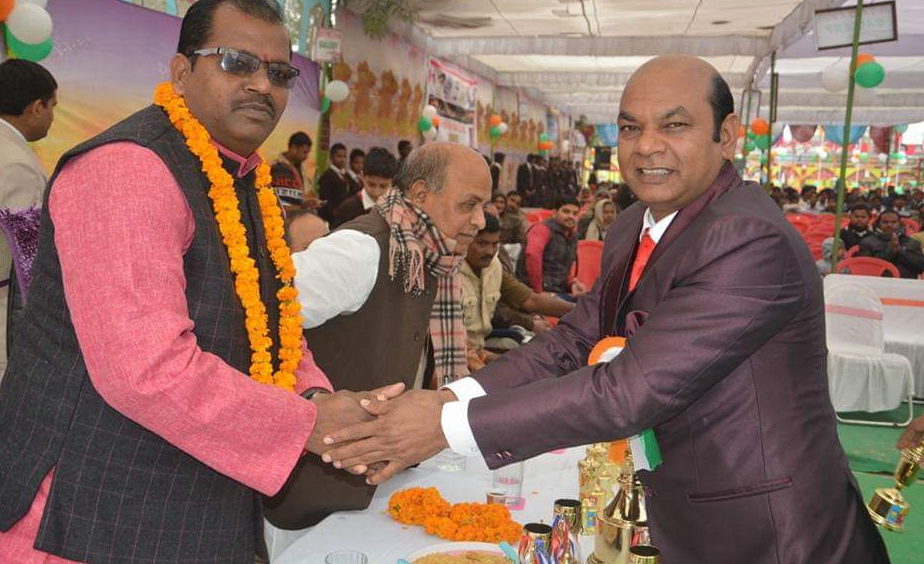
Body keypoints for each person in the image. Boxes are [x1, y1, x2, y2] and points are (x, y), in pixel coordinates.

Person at [320, 55, 889, 564]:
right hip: (687, 512)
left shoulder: (746, 238)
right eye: (630, 127)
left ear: (727, 135)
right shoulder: (634, 226)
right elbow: (573, 342)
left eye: (674, 125)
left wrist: (444, 427)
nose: (646, 146)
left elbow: (630, 391)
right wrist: (451, 399)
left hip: (769, 530)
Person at [0, 0, 396, 564]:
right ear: (182, 71)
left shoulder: (241, 176)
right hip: (81, 514)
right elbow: (145, 370)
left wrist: (317, 398)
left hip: (187, 506)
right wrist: (308, 424)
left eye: (278, 73)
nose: (262, 85)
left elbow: (273, 328)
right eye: (237, 62)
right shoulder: (128, 169)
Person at [263, 141, 491, 525]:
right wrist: (308, 401)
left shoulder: (433, 257)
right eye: (469, 205)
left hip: (382, 486)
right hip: (314, 494)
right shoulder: (361, 251)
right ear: (421, 194)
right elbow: (256, 318)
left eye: (484, 206)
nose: (480, 220)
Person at [0, 59, 57, 476]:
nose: (51, 117)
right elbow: (25, 263)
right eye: (52, 107)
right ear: (36, 107)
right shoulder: (14, 165)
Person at [462, 214, 574, 352]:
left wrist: (582, 310)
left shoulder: (493, 266)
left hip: (482, 345)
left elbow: (531, 300)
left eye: (495, 244)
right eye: (482, 244)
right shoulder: (450, 273)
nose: (490, 251)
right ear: (465, 241)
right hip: (459, 353)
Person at [521, 196, 584, 300]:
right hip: (535, 292)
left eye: (575, 213)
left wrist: (572, 283)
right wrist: (538, 292)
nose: (571, 216)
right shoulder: (542, 229)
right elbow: (532, 254)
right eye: (566, 212)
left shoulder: (573, 236)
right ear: (554, 212)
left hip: (559, 291)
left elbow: (563, 268)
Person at [331, 147, 397, 227]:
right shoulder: (347, 210)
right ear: (362, 177)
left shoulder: (397, 210)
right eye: (371, 185)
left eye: (383, 186)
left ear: (393, 181)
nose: (377, 193)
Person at [857, 209, 924, 278]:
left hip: (906, 282)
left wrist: (900, 251)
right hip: (877, 281)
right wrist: (889, 251)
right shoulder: (867, 242)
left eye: (894, 222)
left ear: (900, 224)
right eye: (885, 222)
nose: (889, 225)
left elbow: (921, 267)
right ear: (878, 224)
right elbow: (865, 268)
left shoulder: (912, 242)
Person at [271, 131, 322, 212]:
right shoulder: (274, 167)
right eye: (305, 152)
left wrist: (308, 202)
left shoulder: (303, 170)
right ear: (293, 148)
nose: (306, 156)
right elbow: (279, 200)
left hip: (299, 215)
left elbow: (298, 197)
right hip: (279, 215)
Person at [317, 142, 354, 226]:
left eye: (344, 156)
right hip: (331, 217)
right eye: (339, 156)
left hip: (344, 215)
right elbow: (324, 198)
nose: (342, 159)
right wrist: (334, 212)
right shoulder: (327, 175)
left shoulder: (346, 175)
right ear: (331, 157)